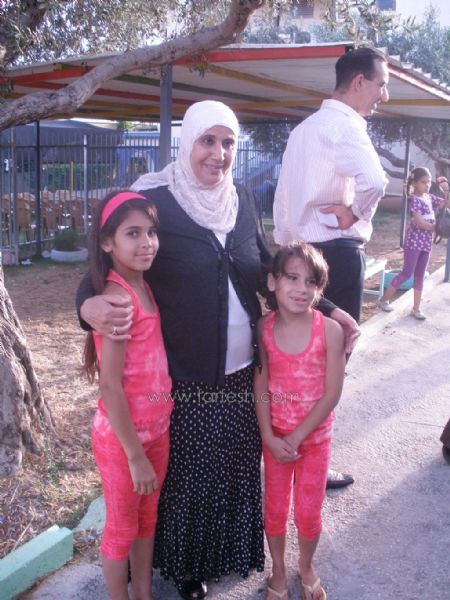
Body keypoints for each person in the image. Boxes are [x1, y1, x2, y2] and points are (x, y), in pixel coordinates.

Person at [76, 101, 358, 600]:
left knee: (231, 470)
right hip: (186, 375)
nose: (219, 153)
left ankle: (226, 553)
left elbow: (266, 266)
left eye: (228, 142)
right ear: (188, 142)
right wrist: (85, 305)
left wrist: (330, 308)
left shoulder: (240, 199)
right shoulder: (158, 201)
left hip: (244, 369)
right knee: (190, 479)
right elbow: (108, 266)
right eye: (208, 140)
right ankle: (187, 567)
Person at [273, 47, 390, 488]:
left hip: (297, 258)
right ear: (358, 82)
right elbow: (375, 181)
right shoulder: (347, 125)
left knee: (298, 359)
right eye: (381, 84)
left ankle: (289, 450)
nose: (383, 95)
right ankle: (312, 461)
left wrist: (287, 258)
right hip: (336, 258)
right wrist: (355, 213)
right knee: (330, 365)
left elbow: (282, 201)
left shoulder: (302, 130)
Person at [82, 190, 173, 600]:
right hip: (124, 442)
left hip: (156, 431)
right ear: (107, 243)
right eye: (132, 233)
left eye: (151, 232)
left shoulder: (144, 286)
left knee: (146, 520)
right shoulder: (118, 299)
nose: (146, 242)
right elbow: (110, 385)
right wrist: (135, 455)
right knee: (121, 528)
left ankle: (143, 594)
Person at [254, 243, 345, 600]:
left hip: (314, 441)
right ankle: (278, 567)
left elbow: (332, 393)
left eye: (311, 282)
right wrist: (269, 436)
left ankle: (306, 565)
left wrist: (296, 438)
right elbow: (261, 384)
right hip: (275, 440)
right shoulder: (263, 329)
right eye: (292, 278)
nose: (301, 289)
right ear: (272, 282)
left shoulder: (330, 331)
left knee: (308, 513)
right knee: (275, 509)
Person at [378, 170, 450, 318]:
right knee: (407, 273)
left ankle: (416, 309)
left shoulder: (429, 198)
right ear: (414, 183)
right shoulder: (414, 200)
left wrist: (446, 190)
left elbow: (446, 203)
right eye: (423, 182)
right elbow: (419, 222)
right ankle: (384, 300)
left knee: (420, 276)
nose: (427, 185)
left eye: (429, 182)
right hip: (414, 243)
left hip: (426, 243)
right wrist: (436, 228)